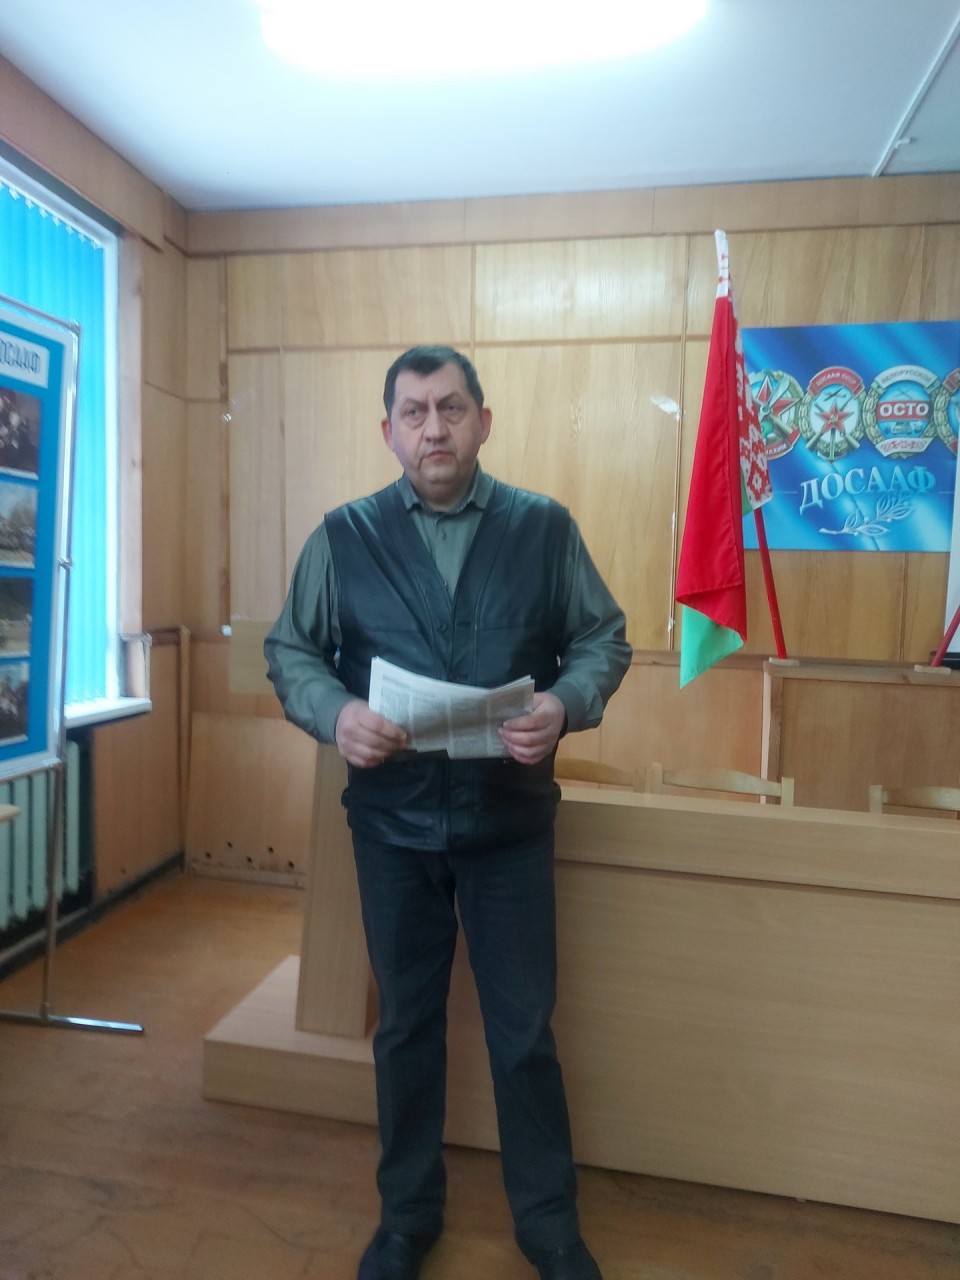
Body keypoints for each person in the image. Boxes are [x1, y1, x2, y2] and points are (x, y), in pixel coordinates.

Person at [265, 345, 632, 1280]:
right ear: (389, 432)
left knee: (523, 1034)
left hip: (509, 829)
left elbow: (602, 638)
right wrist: (336, 713)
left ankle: (549, 1226)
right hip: (391, 831)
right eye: (415, 412)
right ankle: (406, 1219)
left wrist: (565, 705)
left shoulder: (544, 529)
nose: (435, 428)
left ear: (483, 423)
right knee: (406, 1028)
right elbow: (291, 650)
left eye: (452, 409)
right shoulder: (342, 536)